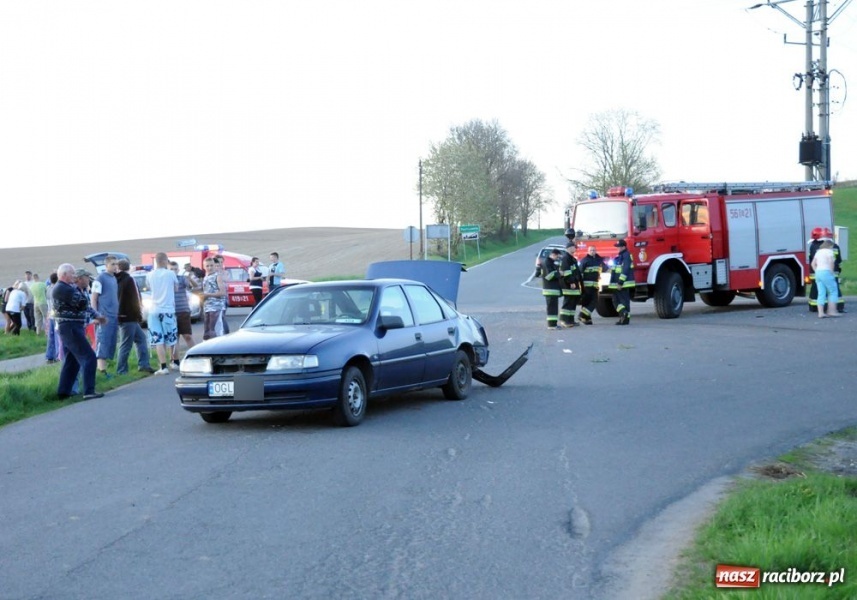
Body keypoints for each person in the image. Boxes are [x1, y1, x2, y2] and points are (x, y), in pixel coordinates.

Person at [52, 264, 106, 400]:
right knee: (89, 357)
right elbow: (82, 303)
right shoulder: (63, 289)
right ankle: (89, 391)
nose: (74, 277)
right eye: (72, 274)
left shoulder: (65, 288)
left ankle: (63, 392)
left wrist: (96, 315)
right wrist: (83, 295)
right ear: (64, 274)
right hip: (70, 327)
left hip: (71, 326)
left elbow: (83, 305)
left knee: (73, 360)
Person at [115, 259, 154, 374]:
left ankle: (144, 364)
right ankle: (121, 370)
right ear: (129, 267)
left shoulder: (117, 280)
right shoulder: (129, 279)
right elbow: (135, 298)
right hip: (129, 316)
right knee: (126, 344)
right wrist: (139, 314)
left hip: (122, 315)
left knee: (141, 339)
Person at [146, 252, 179, 375]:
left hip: (154, 309)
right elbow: (176, 288)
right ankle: (174, 362)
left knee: (158, 338)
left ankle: (163, 366)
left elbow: (149, 288)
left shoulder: (150, 275)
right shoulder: (170, 274)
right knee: (171, 337)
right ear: (165, 261)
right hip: (168, 309)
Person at [91, 255, 120, 378]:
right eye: (112, 264)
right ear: (106, 265)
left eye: (116, 264)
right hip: (104, 316)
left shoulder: (114, 279)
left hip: (114, 316)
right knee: (102, 342)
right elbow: (94, 297)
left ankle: (105, 368)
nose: (115, 266)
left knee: (111, 342)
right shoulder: (100, 278)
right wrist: (96, 315)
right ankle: (101, 371)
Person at [169, 261, 197, 368]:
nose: (174, 271)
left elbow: (194, 286)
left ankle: (196, 356)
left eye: (175, 269)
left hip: (183, 310)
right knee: (174, 338)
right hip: (171, 311)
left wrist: (189, 278)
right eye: (171, 269)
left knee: (187, 335)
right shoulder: (166, 280)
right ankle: (175, 360)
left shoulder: (181, 278)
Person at [811, 239, 841, 318]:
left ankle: (820, 313)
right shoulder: (829, 252)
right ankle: (832, 311)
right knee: (833, 291)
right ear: (830, 246)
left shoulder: (818, 252)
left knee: (821, 293)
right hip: (826, 272)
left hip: (818, 273)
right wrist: (831, 272)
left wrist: (816, 271)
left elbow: (813, 264)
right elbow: (831, 262)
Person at [202, 256, 227, 340]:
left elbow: (223, 293)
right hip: (207, 307)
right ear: (204, 267)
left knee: (215, 330)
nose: (209, 268)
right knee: (207, 330)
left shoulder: (217, 276)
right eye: (207, 266)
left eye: (211, 265)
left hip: (216, 307)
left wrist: (207, 295)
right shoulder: (206, 277)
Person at [610, 239, 635, 325]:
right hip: (619, 283)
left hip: (623, 283)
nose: (617, 248)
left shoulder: (626, 255)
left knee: (621, 301)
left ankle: (624, 317)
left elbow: (625, 269)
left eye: (619, 247)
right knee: (617, 301)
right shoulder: (620, 256)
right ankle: (624, 316)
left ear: (624, 247)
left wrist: (620, 282)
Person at [822, 227, 846, 314]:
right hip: (834, 272)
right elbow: (838, 260)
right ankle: (839, 307)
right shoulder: (835, 246)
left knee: (823, 290)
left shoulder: (820, 247)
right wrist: (838, 269)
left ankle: (824, 308)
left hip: (823, 272)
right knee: (835, 290)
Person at [578, 245, 603, 325]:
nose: (592, 251)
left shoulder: (599, 260)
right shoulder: (584, 261)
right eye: (591, 250)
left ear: (596, 251)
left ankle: (586, 318)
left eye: (593, 250)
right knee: (589, 302)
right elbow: (580, 272)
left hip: (595, 285)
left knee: (593, 301)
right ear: (588, 251)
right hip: (587, 286)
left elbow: (605, 268)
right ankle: (582, 315)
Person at [559, 240, 583, 327]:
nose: (575, 248)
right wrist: (571, 282)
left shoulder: (572, 258)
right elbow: (567, 272)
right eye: (573, 247)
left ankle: (571, 320)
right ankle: (564, 320)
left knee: (573, 302)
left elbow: (576, 271)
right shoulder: (566, 258)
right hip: (568, 284)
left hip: (574, 283)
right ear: (569, 248)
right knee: (568, 302)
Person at [541, 247, 563, 329]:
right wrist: (559, 273)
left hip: (552, 290)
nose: (557, 258)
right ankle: (552, 325)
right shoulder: (547, 262)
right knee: (552, 308)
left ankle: (553, 324)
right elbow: (549, 276)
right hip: (550, 289)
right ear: (553, 255)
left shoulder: (550, 262)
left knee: (553, 308)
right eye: (557, 257)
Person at [44, 272, 61, 363]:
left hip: (50, 313)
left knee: (51, 335)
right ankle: (58, 355)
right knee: (57, 335)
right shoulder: (56, 289)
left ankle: (49, 356)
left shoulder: (48, 288)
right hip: (56, 313)